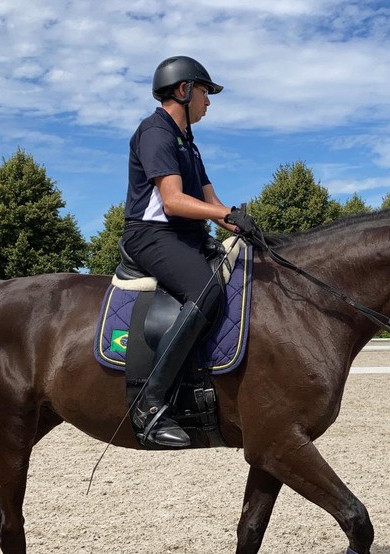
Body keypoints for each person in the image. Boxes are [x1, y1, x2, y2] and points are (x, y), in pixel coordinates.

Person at [121, 55, 257, 448]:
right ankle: (150, 403)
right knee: (205, 290)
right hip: (152, 235)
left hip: (186, 236)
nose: (208, 102)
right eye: (205, 93)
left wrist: (241, 224)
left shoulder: (189, 144)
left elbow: (212, 201)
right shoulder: (156, 132)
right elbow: (173, 202)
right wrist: (222, 213)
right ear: (184, 90)